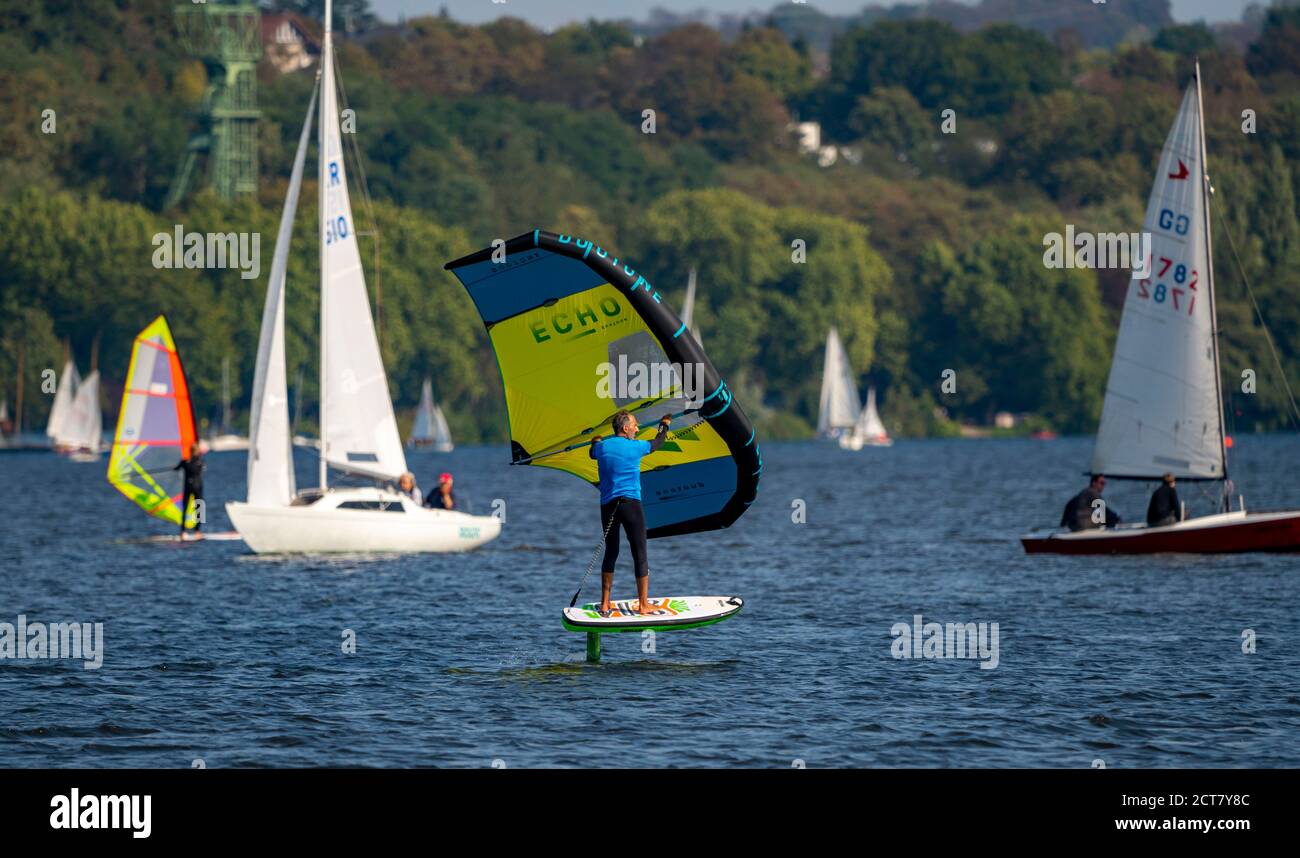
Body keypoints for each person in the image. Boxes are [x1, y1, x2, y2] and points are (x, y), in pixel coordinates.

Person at [588, 409, 672, 615]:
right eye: (634, 425)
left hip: (608, 506)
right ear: (625, 428)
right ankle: (643, 605)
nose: (637, 428)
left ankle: (605, 603)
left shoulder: (601, 448)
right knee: (640, 552)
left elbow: (592, 452)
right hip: (630, 504)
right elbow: (658, 441)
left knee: (611, 551)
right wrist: (665, 424)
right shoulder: (637, 447)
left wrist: (595, 441)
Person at [173, 442, 205, 540]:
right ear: (197, 451)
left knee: (186, 509)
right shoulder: (200, 461)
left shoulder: (185, 461)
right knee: (199, 509)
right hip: (197, 487)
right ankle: (197, 531)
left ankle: (183, 532)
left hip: (188, 487)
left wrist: (174, 468)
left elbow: (176, 468)